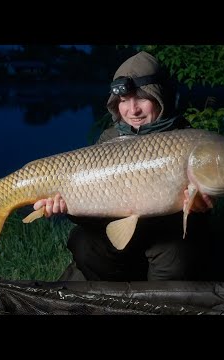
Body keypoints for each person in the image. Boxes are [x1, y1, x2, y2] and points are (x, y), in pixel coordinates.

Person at [34, 51, 214, 281]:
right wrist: (66, 208)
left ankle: (160, 302)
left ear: (161, 97)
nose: (133, 110)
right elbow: (94, 206)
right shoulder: (109, 139)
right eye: (124, 101)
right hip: (122, 236)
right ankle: (114, 297)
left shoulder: (187, 140)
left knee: (178, 253)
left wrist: (199, 206)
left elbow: (209, 204)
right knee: (83, 242)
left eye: (141, 98)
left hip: (167, 238)